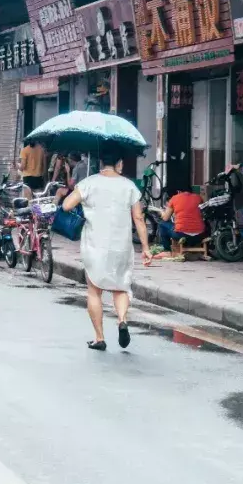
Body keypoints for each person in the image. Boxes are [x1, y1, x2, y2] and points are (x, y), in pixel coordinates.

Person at [62, 142, 151, 351]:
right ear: (119, 163)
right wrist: (146, 247)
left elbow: (66, 205)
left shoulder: (88, 183)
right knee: (120, 286)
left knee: (95, 290)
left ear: (101, 162)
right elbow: (138, 218)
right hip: (121, 245)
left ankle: (99, 338)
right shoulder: (129, 186)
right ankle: (122, 320)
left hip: (95, 244)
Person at [159, 181, 206, 253]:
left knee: (162, 224)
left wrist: (161, 212)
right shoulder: (198, 197)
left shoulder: (174, 198)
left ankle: (167, 250)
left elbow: (166, 218)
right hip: (199, 235)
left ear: (178, 191)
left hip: (181, 235)